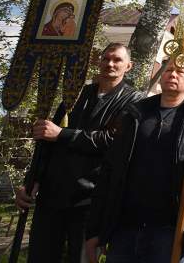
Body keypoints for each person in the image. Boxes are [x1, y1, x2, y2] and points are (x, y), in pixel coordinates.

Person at [85, 60, 184, 263]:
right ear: (161, 76)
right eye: (169, 70)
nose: (172, 74)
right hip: (124, 226)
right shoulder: (135, 113)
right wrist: (95, 230)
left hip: (170, 230)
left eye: (180, 72)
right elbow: (110, 170)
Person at [14, 42, 139, 263]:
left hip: (91, 199)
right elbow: (47, 140)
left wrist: (63, 134)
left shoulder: (134, 100)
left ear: (128, 66)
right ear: (98, 61)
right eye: (105, 58)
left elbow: (112, 140)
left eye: (117, 59)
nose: (110, 63)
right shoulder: (75, 94)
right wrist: (31, 181)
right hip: (52, 194)